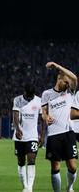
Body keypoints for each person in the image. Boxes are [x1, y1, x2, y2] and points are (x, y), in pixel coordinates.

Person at [41, 62, 77, 192]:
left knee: (72, 166)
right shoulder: (46, 94)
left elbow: (74, 78)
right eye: (65, 82)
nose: (68, 85)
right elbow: (43, 112)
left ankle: (69, 187)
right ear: (59, 78)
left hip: (68, 133)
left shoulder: (70, 92)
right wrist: (46, 117)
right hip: (53, 134)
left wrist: (57, 66)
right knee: (55, 166)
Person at [12, 83, 43, 192]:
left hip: (33, 136)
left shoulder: (39, 101)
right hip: (19, 136)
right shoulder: (17, 100)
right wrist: (17, 128)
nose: (30, 98)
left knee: (31, 159)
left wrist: (42, 135)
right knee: (21, 162)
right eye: (28, 96)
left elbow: (42, 119)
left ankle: (29, 188)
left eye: (31, 96)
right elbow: (15, 115)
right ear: (24, 92)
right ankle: (25, 186)